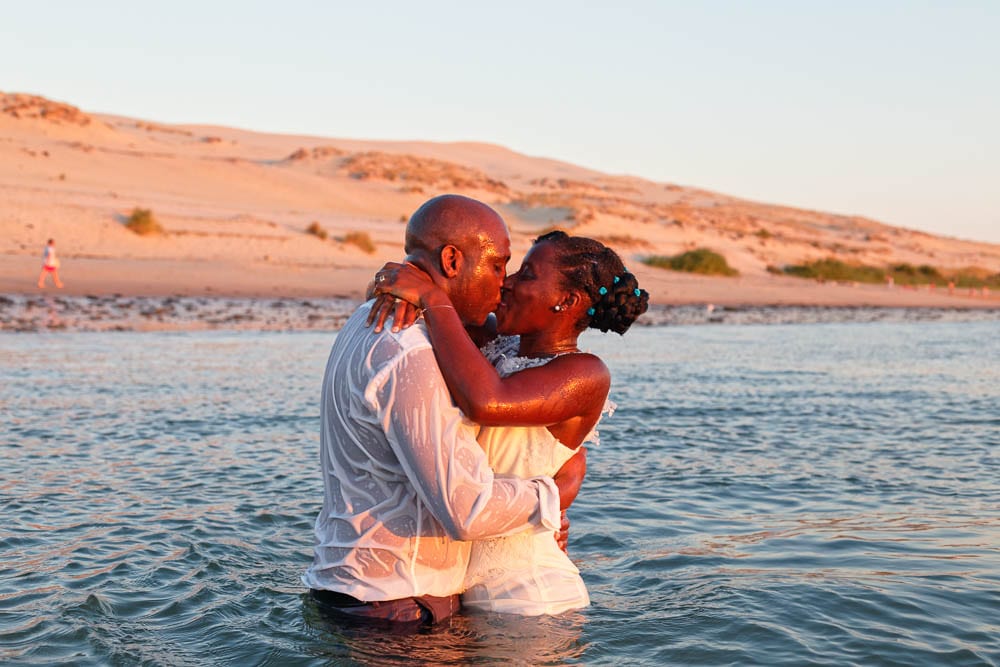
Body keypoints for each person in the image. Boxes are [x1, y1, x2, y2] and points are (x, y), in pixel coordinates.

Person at [302, 195, 576, 626]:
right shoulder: (406, 348)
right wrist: (552, 496)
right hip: (398, 608)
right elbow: (466, 508)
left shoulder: (372, 319)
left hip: (367, 594)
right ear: (451, 259)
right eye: (498, 265)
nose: (504, 282)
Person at [369, 230, 649, 615]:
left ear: (566, 301)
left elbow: (488, 401)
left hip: (530, 597)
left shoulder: (584, 373)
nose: (508, 282)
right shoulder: (495, 341)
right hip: (467, 590)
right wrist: (393, 284)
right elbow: (438, 294)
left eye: (528, 275)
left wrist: (430, 299)